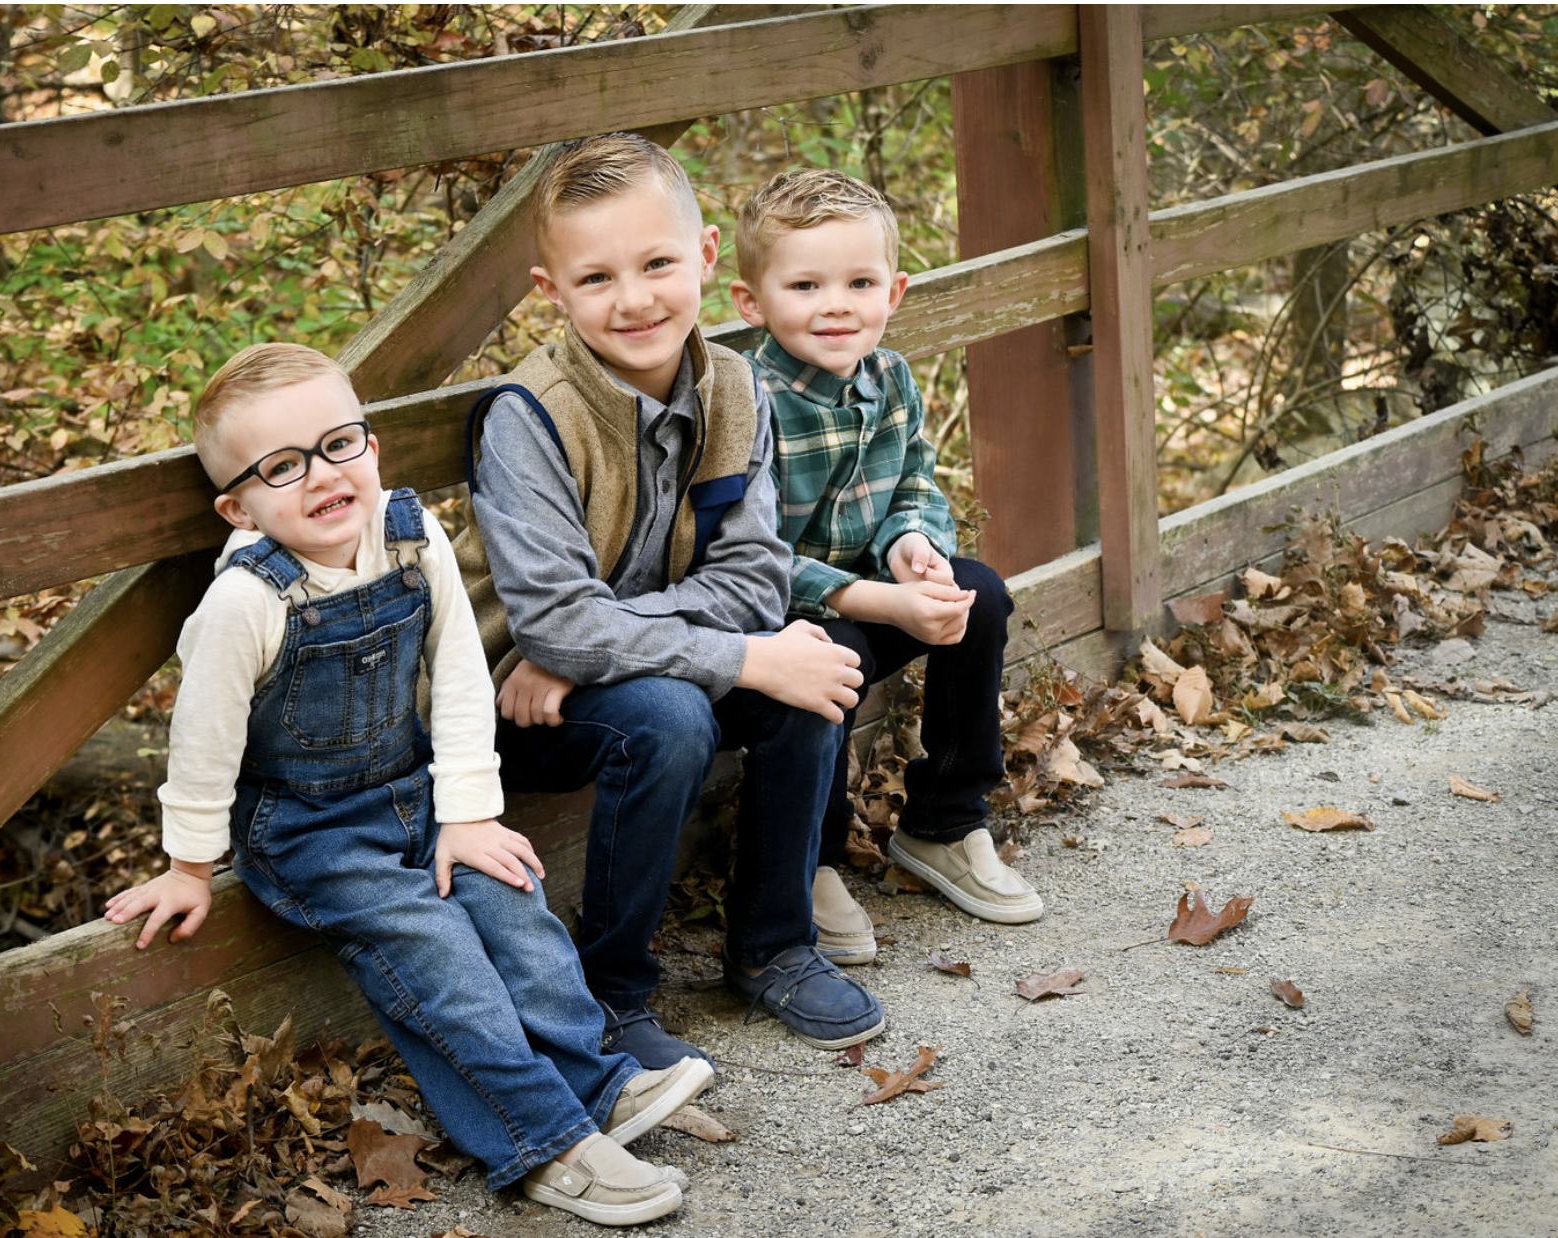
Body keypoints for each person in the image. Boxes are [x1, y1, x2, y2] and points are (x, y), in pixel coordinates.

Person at [103, 343, 713, 1227]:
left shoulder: (410, 536)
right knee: (436, 952)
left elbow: (459, 675)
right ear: (238, 506)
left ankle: (596, 1084)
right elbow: (202, 741)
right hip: (307, 828)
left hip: (413, 789)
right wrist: (189, 867)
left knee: (512, 899)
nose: (323, 475)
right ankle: (541, 1139)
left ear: (371, 443)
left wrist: (468, 815)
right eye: (282, 466)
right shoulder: (246, 601)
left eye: (338, 443)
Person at [453, 133, 886, 1070]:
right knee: (673, 712)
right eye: (596, 277)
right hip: (512, 699)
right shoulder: (527, 418)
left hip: (580, 668)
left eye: (656, 264)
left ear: (705, 257)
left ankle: (773, 945)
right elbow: (554, 622)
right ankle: (610, 993)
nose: (635, 298)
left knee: (809, 670)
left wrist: (597, 644)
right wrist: (734, 655)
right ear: (551, 290)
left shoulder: (737, 387)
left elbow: (756, 578)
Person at [728, 168, 1043, 965]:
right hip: (779, 619)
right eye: (805, 285)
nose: (836, 305)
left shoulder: (891, 377)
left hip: (874, 592)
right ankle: (813, 859)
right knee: (831, 654)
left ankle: (945, 821)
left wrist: (914, 545)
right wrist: (878, 601)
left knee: (979, 593)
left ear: (894, 292)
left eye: (859, 283)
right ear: (750, 302)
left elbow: (915, 483)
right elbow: (749, 559)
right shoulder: (745, 401)